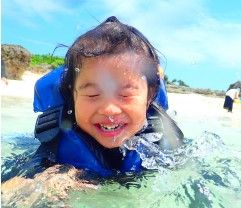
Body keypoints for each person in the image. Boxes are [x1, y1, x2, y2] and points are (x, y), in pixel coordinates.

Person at [33, 16, 184, 177]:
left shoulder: (162, 142)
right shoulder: (56, 141)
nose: (109, 110)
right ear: (73, 95)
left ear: (149, 97)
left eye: (125, 95)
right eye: (93, 94)